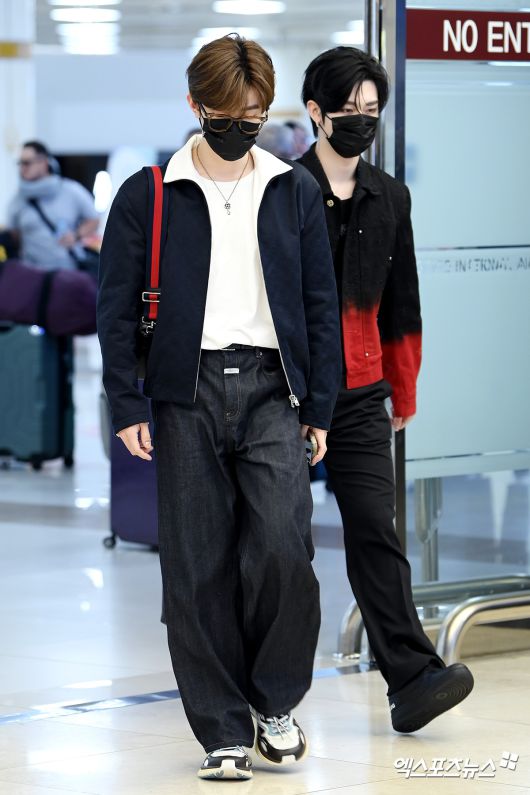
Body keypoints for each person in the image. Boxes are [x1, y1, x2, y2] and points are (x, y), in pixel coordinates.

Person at [98, 34, 341, 781]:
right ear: (195, 105)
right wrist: (126, 403)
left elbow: (320, 303)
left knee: (282, 548)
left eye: (255, 116)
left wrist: (321, 406)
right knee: (196, 563)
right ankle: (222, 729)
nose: (242, 127)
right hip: (186, 393)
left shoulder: (291, 189)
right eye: (228, 115)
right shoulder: (150, 192)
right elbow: (115, 306)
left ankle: (275, 702)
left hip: (273, 389)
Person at [298, 46, 474, 734]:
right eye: (349, 110)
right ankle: (263, 687)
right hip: (288, 395)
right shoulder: (281, 190)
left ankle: (413, 677)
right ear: (315, 112)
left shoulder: (390, 195)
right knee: (279, 545)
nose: (361, 121)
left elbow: (405, 299)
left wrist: (404, 389)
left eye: (372, 110)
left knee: (376, 528)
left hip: (362, 391)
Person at [7, 140, 99, 271]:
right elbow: (15, 236)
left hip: (67, 272)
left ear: (44, 162)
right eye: (20, 163)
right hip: (32, 274)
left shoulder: (70, 190)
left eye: (27, 163)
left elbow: (94, 220)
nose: (22, 168)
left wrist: (76, 235)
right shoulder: (18, 200)